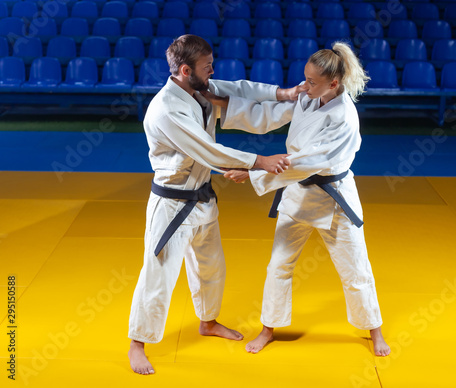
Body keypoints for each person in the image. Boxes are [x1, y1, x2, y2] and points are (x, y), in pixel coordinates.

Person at [201, 42, 391, 357]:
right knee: (278, 265)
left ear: (334, 83)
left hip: (334, 201)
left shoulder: (344, 117)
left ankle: (375, 331)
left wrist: (253, 172)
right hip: (298, 195)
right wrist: (219, 103)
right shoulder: (307, 97)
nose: (305, 85)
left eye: (312, 81)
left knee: (355, 269)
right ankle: (268, 329)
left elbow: (308, 161)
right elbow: (266, 114)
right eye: (305, 78)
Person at [128, 34, 301, 375]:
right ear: (184, 69)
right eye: (207, 67)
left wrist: (285, 94)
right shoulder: (167, 109)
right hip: (173, 205)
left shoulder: (197, 88)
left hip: (203, 197)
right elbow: (208, 151)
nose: (212, 72)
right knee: (158, 273)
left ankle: (207, 322)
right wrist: (260, 161)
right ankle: (137, 343)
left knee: (211, 267)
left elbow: (240, 89)